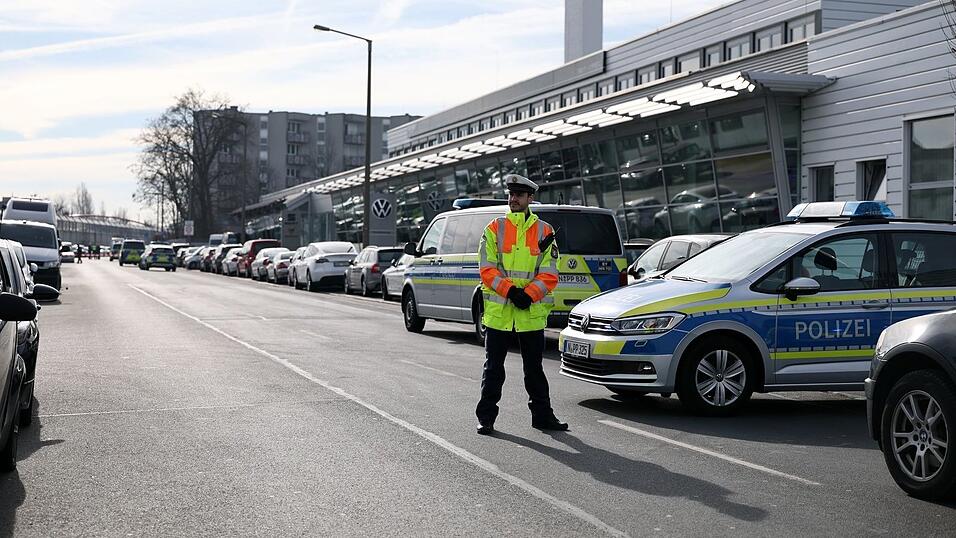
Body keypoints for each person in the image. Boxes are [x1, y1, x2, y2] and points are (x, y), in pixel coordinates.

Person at [475, 174, 567, 435]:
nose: (513, 199)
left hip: (530, 313)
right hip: (500, 313)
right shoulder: (494, 228)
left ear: (530, 198)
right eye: (511, 194)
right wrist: (512, 291)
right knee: (494, 369)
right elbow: (487, 269)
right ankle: (486, 418)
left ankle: (542, 417)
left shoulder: (545, 231)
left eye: (519, 195)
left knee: (534, 370)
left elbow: (550, 272)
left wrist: (529, 295)